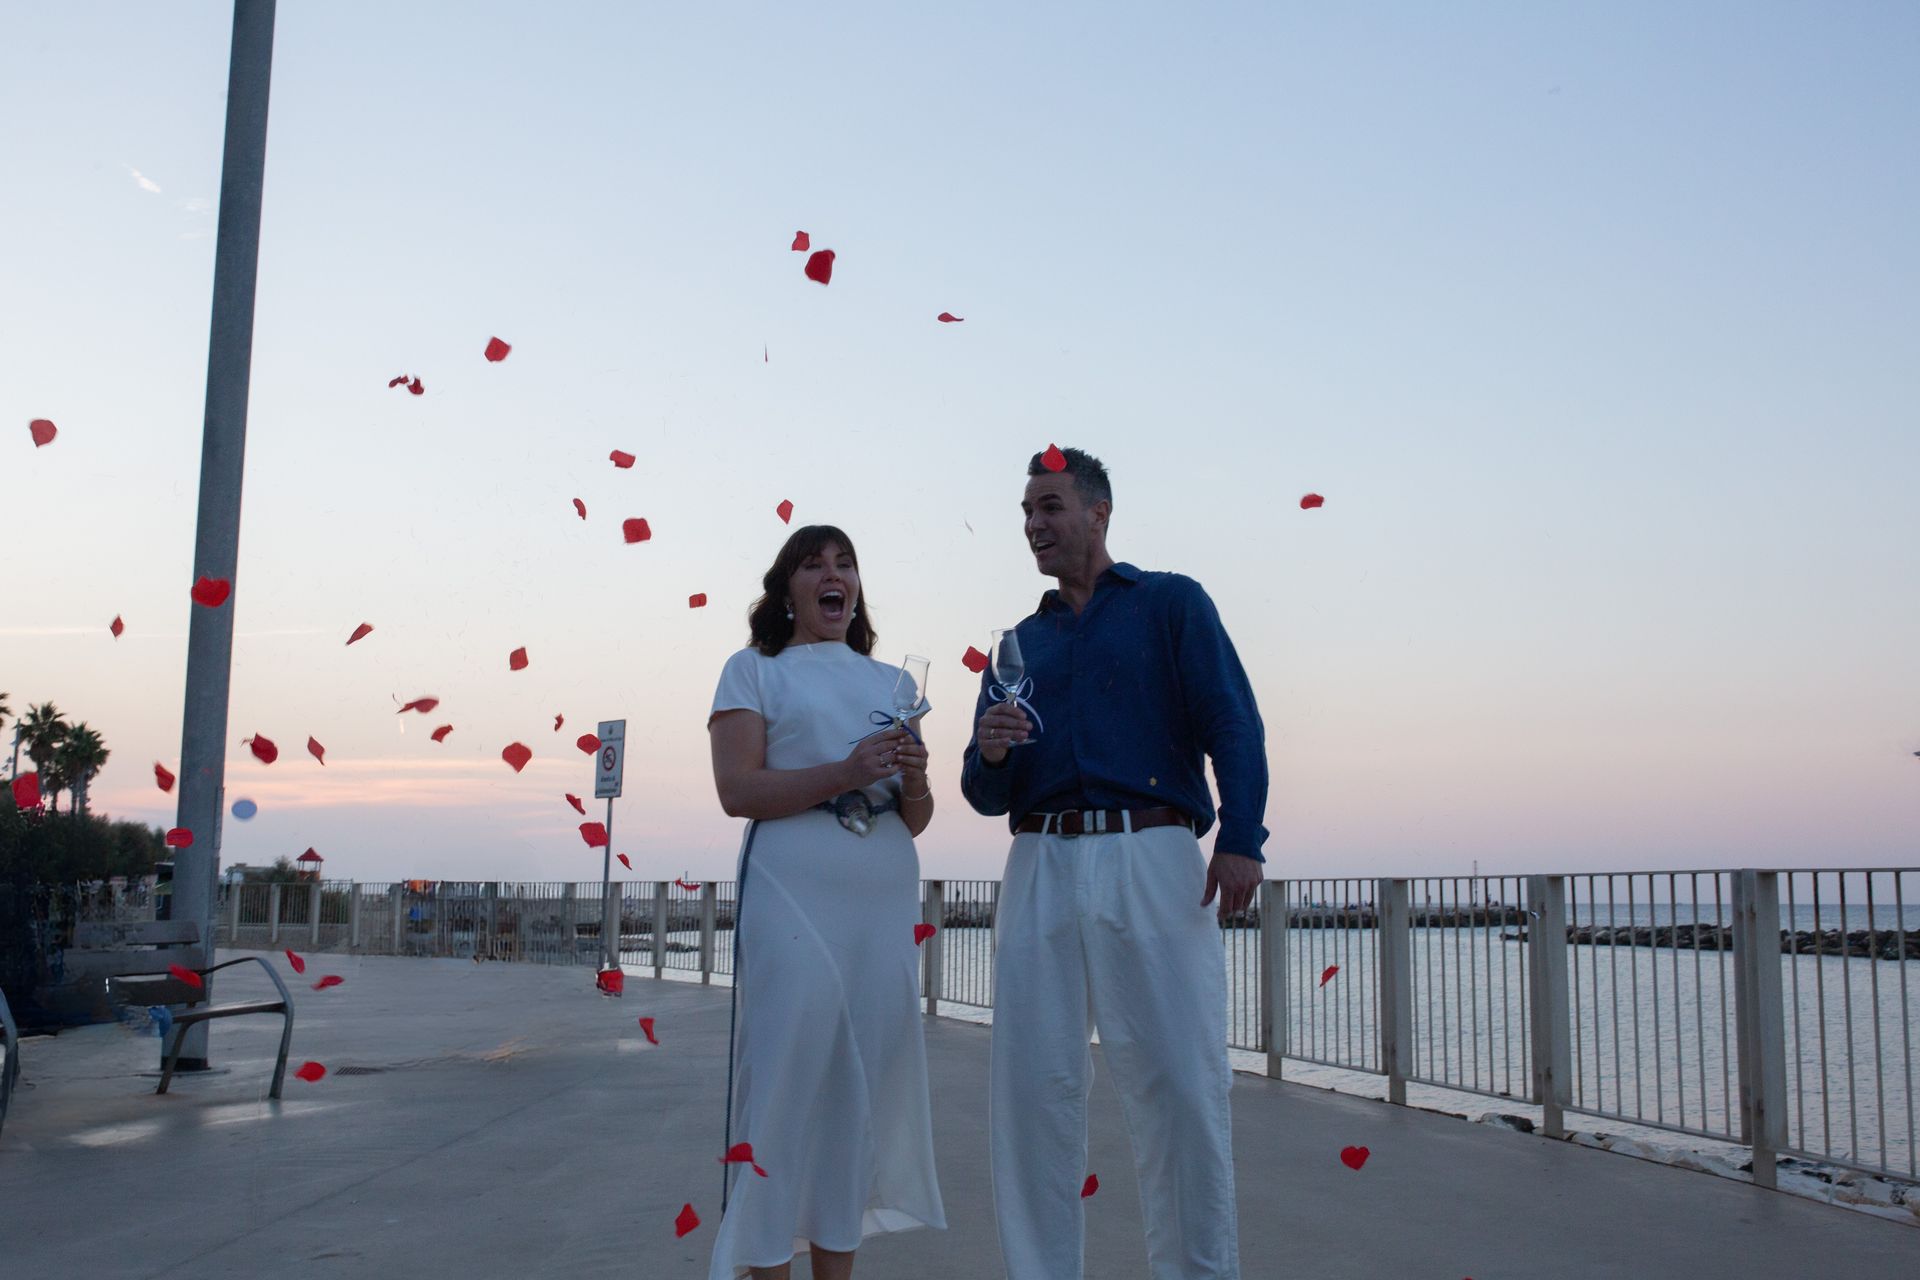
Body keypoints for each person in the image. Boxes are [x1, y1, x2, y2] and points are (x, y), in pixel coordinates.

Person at [961, 448, 1268, 1280]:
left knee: (1182, 1086)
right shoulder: (1018, 644)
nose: (1034, 524)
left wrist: (1242, 837)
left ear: (1098, 513)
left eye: (1050, 506)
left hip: (1152, 852)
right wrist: (991, 754)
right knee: (1033, 1093)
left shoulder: (1170, 604)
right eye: (1027, 512)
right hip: (1039, 862)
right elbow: (983, 792)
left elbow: (1232, 721)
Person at [707, 525, 946, 1280]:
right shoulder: (753, 670)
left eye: (845, 563)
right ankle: (765, 1260)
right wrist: (844, 772)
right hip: (793, 893)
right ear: (788, 591)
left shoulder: (894, 686)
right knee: (784, 1085)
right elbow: (737, 790)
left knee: (856, 1093)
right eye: (814, 565)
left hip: (880, 904)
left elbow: (914, 817)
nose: (833, 574)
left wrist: (914, 777)